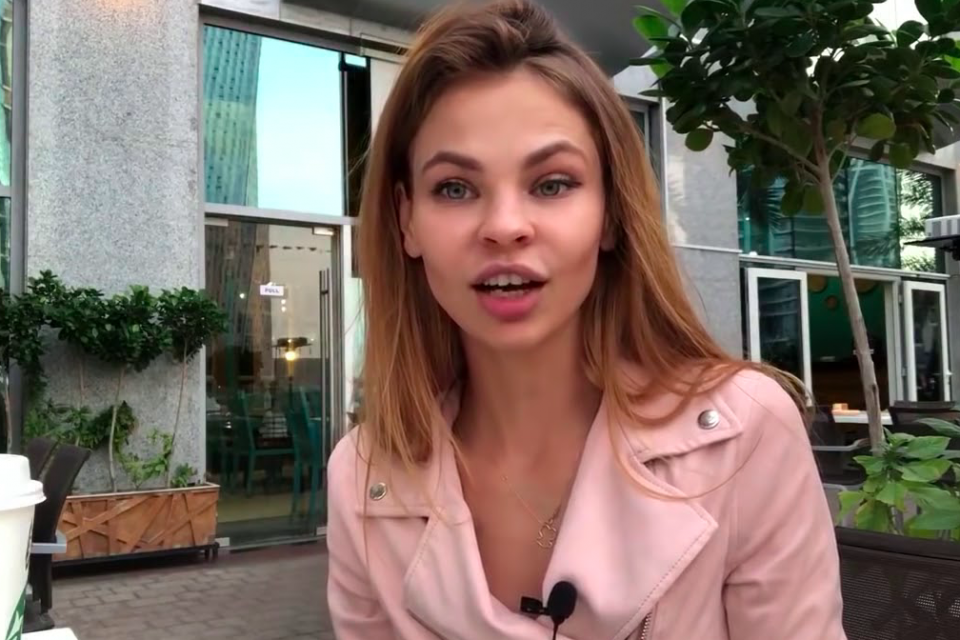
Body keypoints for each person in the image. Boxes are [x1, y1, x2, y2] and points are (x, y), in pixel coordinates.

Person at [326, 1, 846, 639]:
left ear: (611, 214)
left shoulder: (745, 431)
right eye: (455, 188)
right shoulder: (362, 478)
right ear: (407, 221)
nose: (504, 227)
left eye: (552, 184)